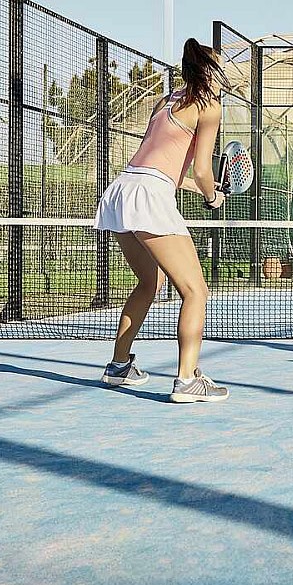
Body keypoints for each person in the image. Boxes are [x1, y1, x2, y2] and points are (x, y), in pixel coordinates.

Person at [93, 38, 230, 403]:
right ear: (211, 72)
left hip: (123, 189)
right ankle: (187, 380)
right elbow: (202, 168)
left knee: (148, 284)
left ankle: (119, 366)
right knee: (195, 290)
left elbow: (165, 168)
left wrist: (201, 186)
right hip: (148, 196)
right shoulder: (210, 106)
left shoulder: (166, 100)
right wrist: (212, 195)